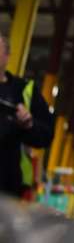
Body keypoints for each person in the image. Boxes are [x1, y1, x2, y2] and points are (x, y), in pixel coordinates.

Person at [0, 31, 53, 198]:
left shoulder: (24, 90)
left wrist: (29, 125)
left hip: (7, 184)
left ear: (7, 56)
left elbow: (47, 135)